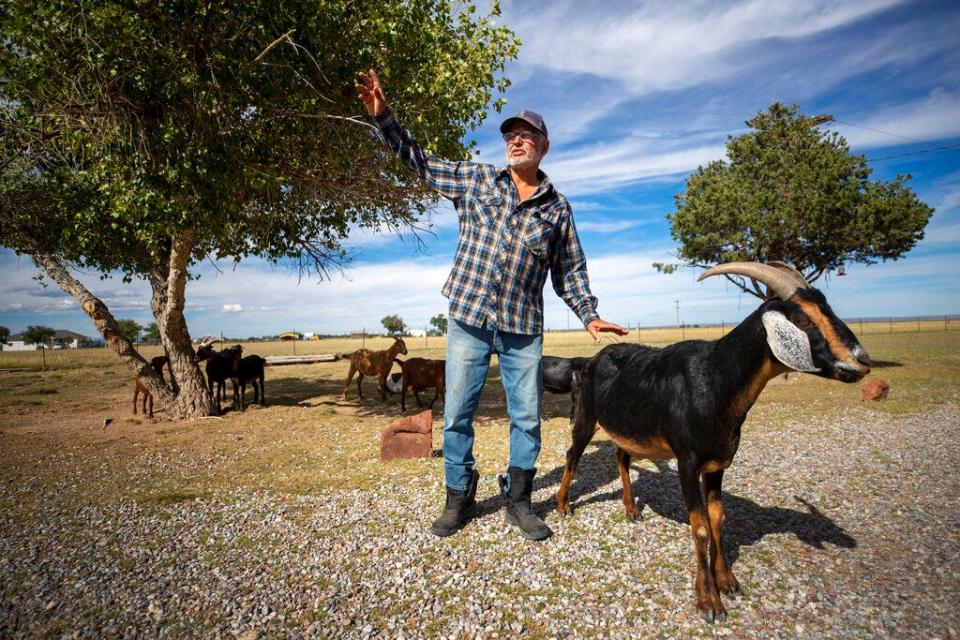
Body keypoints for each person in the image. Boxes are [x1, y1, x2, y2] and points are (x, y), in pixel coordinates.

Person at [356, 69, 627, 540]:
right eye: (511, 136)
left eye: (526, 136)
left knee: (527, 416)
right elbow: (420, 161)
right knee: (458, 410)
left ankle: (519, 500)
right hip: (469, 318)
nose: (516, 142)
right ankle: (458, 495)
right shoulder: (477, 180)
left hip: (523, 327)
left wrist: (589, 312)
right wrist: (385, 121)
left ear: (543, 146)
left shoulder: (557, 209)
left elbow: (570, 270)